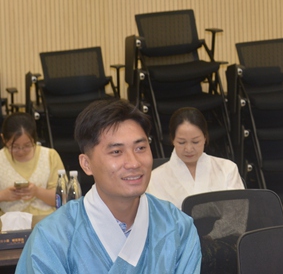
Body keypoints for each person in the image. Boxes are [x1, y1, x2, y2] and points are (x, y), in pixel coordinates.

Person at [16, 99, 201, 273]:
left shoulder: (178, 227)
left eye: (140, 148)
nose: (134, 162)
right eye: (116, 151)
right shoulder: (51, 238)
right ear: (86, 164)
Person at [147, 107, 243, 209]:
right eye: (181, 142)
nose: (189, 149)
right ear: (172, 140)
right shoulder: (154, 179)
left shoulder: (227, 169)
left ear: (205, 138)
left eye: (195, 142)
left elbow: (238, 211)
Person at [0, 113, 65, 217]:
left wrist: (37, 192)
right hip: (10, 223)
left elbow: (62, 198)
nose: (21, 151)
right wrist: (3, 195)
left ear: (35, 139)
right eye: (14, 147)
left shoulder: (50, 156)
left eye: (27, 146)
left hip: (46, 220)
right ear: (3, 139)